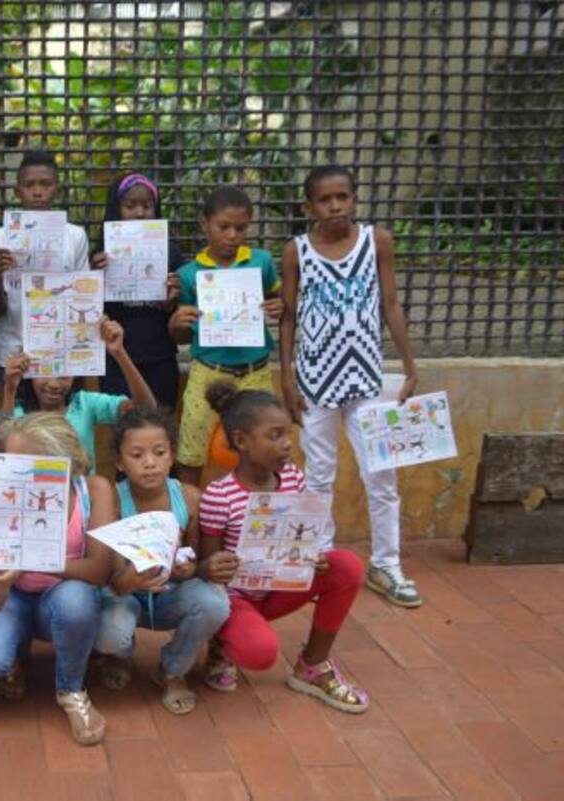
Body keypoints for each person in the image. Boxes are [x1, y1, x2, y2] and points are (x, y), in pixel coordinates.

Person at [280, 165, 423, 608]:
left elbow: (391, 303)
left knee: (380, 472)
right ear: (310, 207)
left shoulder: (376, 242)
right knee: (319, 474)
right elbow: (287, 315)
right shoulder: (297, 251)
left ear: (355, 198)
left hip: (367, 378)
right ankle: (321, 559)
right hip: (315, 378)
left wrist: (410, 364)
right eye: (325, 199)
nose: (335, 205)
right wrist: (285, 375)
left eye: (343, 196)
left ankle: (386, 563)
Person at [198, 381, 369, 713]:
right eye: (274, 436)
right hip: (235, 597)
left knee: (346, 565)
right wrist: (212, 566)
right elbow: (207, 566)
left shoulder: (293, 478)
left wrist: (312, 558)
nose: (286, 445)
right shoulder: (219, 496)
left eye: (287, 435)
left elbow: (302, 534)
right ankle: (221, 644)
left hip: (279, 586)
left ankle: (312, 666)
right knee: (260, 653)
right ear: (241, 441)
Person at [0, 412, 118, 746]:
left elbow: (99, 570)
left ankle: (71, 689)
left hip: (60, 598)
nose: (13, 475)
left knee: (75, 600)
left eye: (25, 465)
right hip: (12, 598)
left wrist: (34, 560)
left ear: (63, 461)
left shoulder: (94, 489)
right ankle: (16, 656)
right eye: (7, 462)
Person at [90, 405, 230, 715]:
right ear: (120, 462)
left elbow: (196, 562)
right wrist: (131, 578)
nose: (150, 463)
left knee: (213, 603)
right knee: (110, 629)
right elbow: (112, 581)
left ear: (172, 454)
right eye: (137, 455)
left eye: (159, 452)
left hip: (169, 595)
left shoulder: (190, 497)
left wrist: (184, 568)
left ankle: (172, 669)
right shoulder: (112, 499)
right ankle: (120, 654)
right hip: (126, 595)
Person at [169, 186, 285, 486]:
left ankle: (262, 518)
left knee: (266, 444)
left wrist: (279, 305)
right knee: (192, 448)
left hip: (255, 371)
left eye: (240, 228)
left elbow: (279, 299)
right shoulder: (188, 274)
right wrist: (178, 321)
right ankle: (190, 518)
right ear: (204, 224)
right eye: (224, 227)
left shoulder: (260, 262)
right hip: (208, 372)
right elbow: (180, 335)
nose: (232, 235)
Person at [0, 317, 155, 468]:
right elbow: (1, 455)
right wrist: (10, 389)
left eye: (64, 375)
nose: (54, 384)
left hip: (82, 493)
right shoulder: (18, 413)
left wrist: (119, 353)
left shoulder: (85, 404)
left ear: (76, 374)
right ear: (29, 373)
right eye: (45, 373)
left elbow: (146, 409)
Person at [0, 150, 91, 375]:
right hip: (15, 353)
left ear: (57, 189)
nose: (38, 192)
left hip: (61, 352)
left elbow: (82, 296)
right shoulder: (0, 239)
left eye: (46, 184)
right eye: (29, 185)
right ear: (17, 191)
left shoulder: (75, 236)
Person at [90, 173, 185, 409]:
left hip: (159, 356)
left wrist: (172, 298)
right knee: (122, 428)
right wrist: (94, 277)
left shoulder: (170, 253)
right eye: (130, 206)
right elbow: (87, 307)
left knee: (161, 422)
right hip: (116, 357)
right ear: (116, 209)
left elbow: (183, 312)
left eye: (147, 206)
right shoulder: (100, 254)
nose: (140, 213)